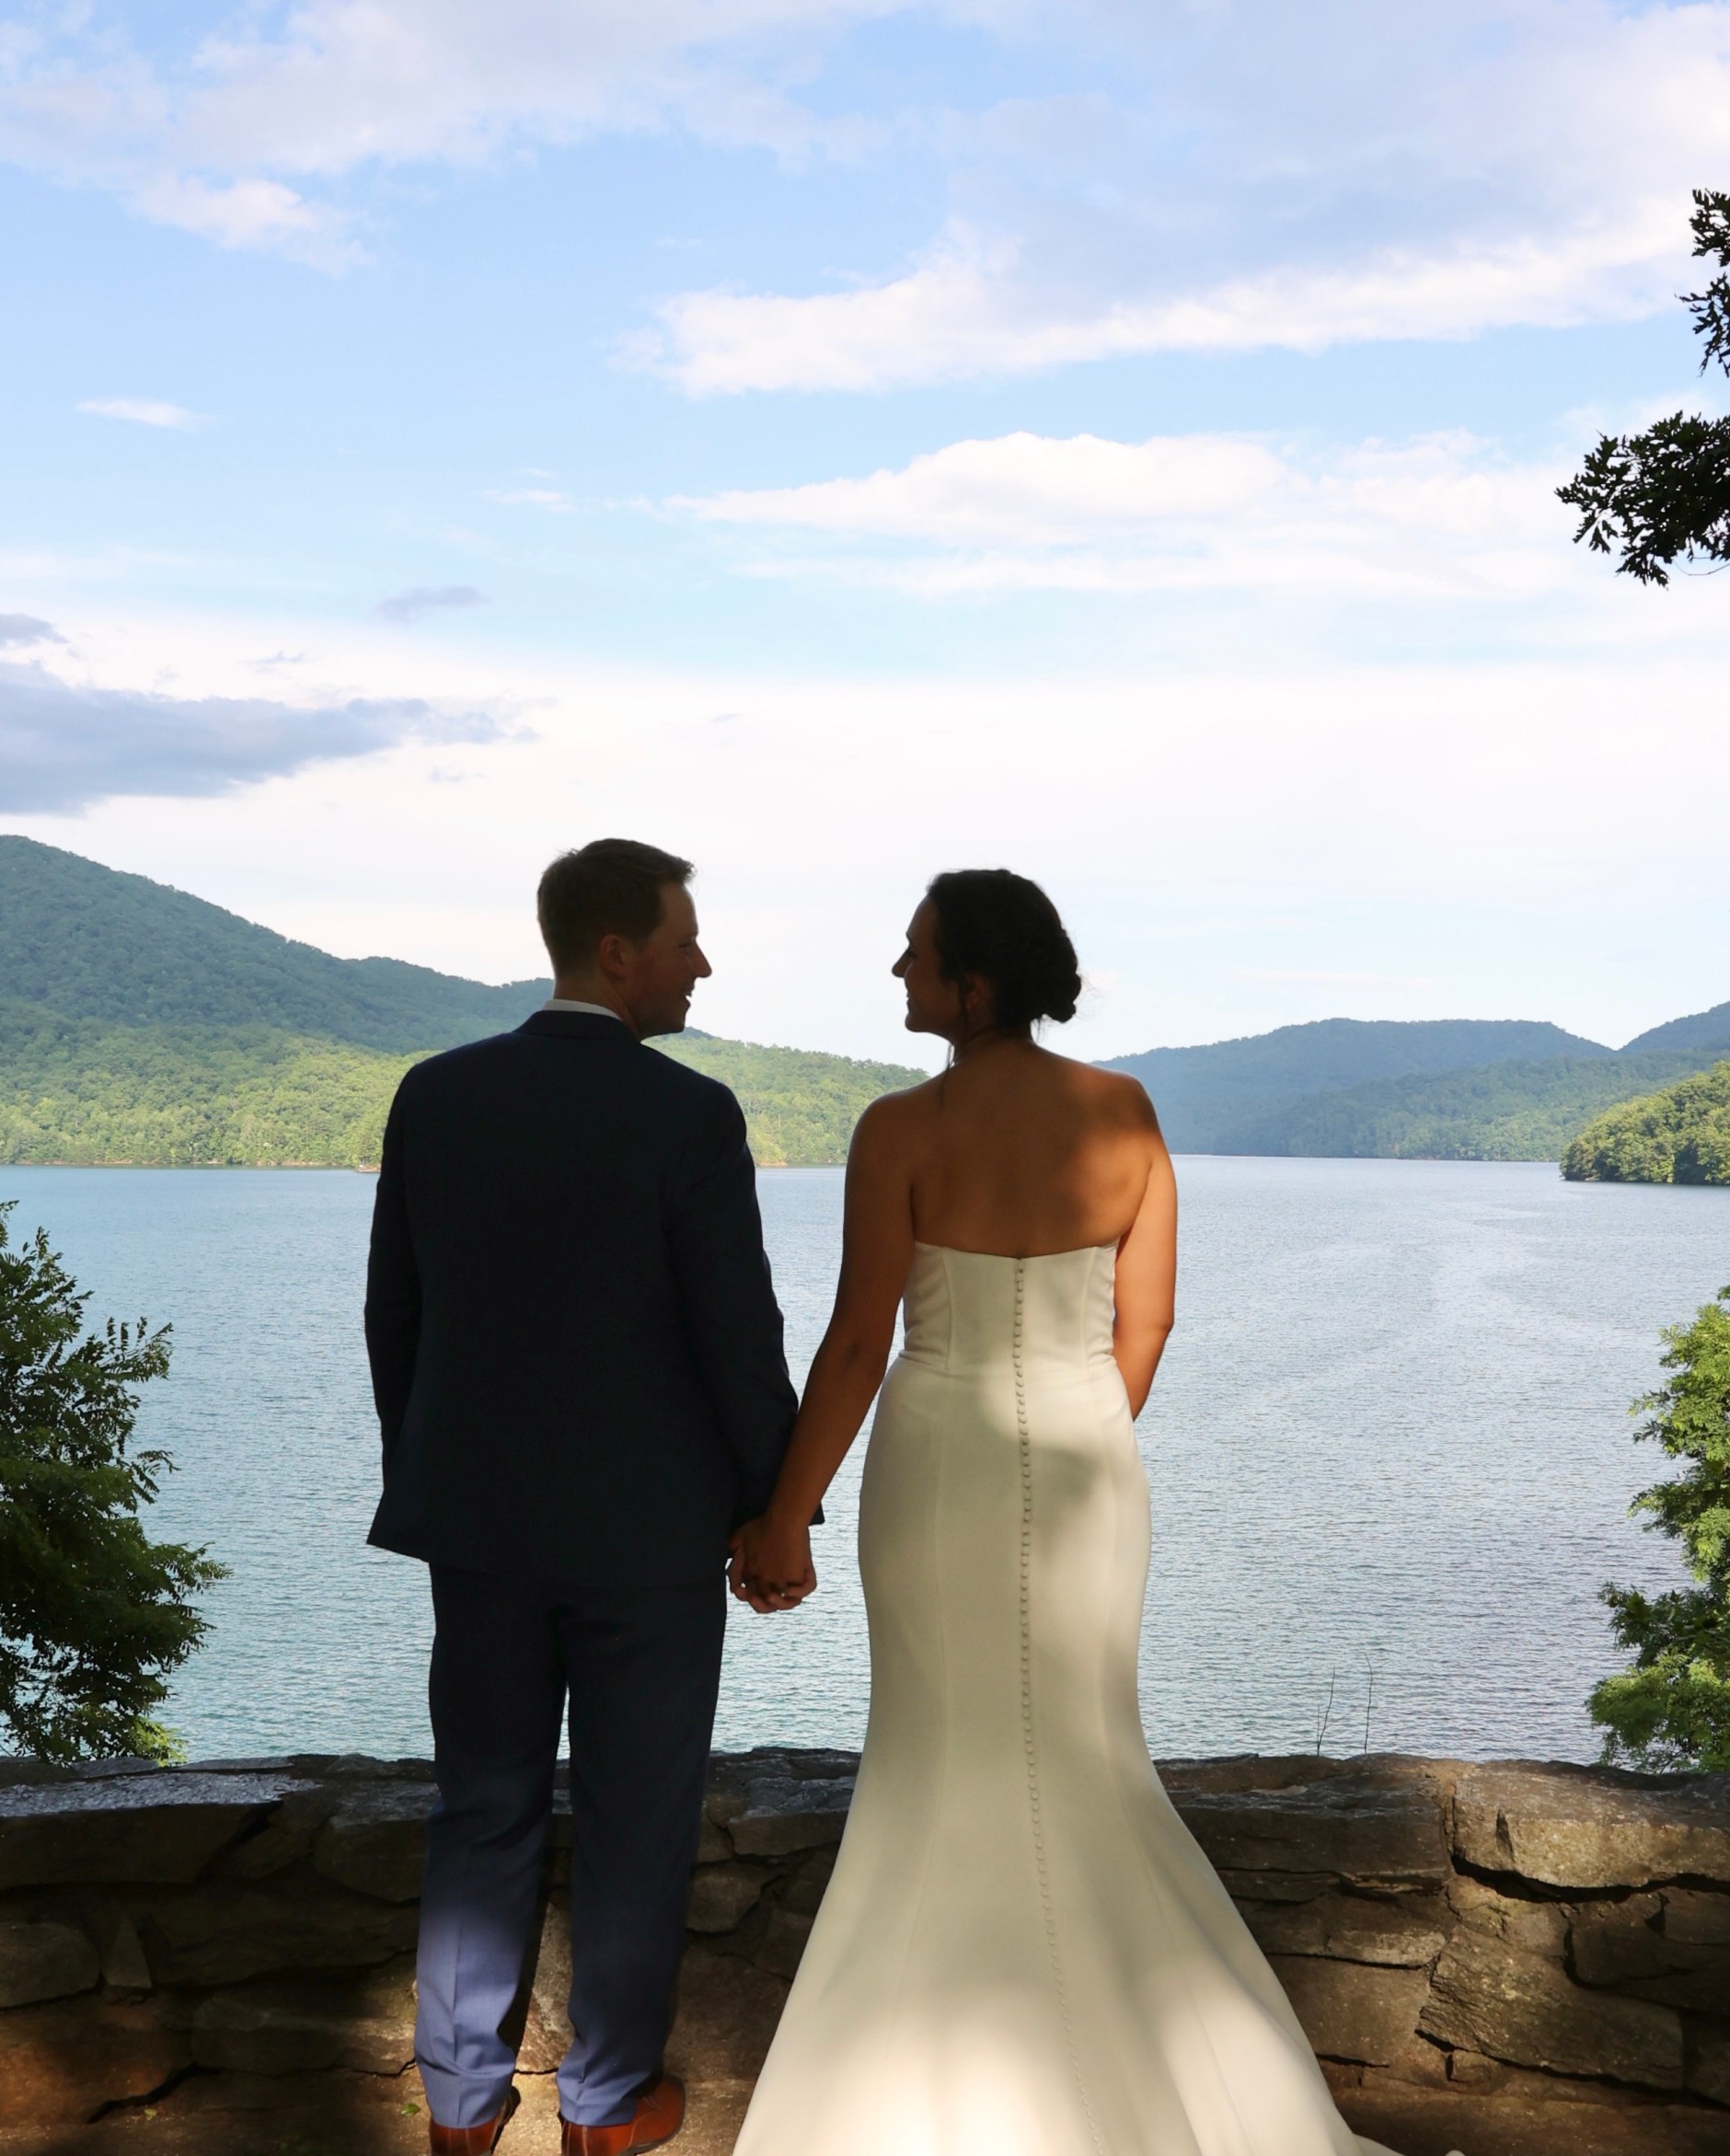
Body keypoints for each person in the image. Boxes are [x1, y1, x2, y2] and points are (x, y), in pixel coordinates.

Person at [727, 869, 1398, 2156]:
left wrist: (784, 1517)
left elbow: (861, 1341)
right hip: (1093, 1462)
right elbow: (1146, 1324)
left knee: (939, 1755)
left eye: (915, 953)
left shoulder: (899, 1128)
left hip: (936, 1465)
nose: (895, 971)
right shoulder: (1126, 1111)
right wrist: (1081, 1425)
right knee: (1088, 1754)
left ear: (974, 983)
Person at [364, 838, 799, 2156]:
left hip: (479, 1525)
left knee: (481, 1800)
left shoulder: (436, 1096)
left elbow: (399, 1317)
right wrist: (769, 1510)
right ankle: (607, 2108)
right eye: (685, 940)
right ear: (617, 953)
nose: (701, 964)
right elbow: (737, 1331)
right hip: (649, 1536)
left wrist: (426, 1473)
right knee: (635, 1812)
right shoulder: (690, 1113)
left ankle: (458, 2108)